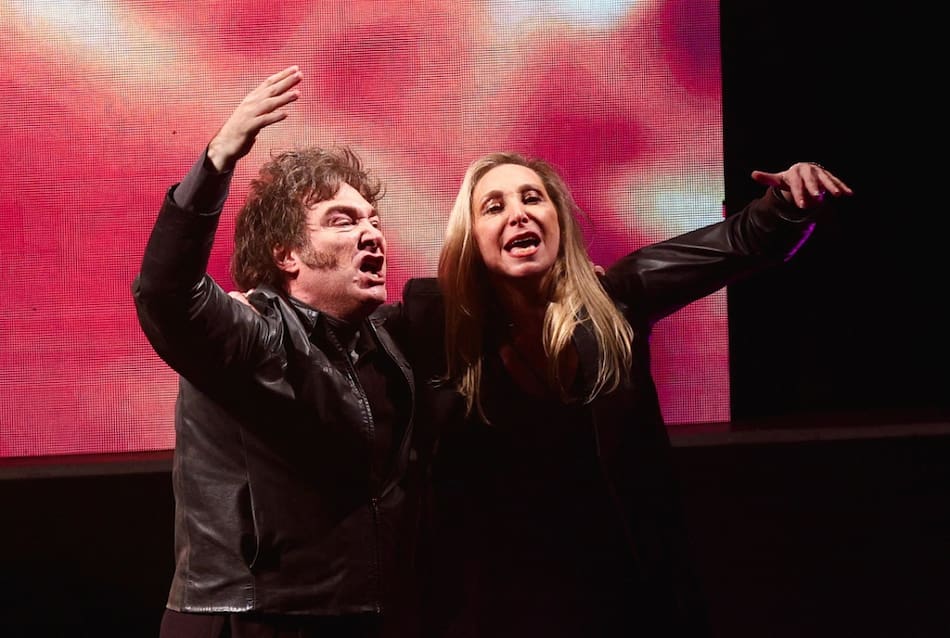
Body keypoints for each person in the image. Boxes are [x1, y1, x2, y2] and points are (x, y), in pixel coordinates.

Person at [402, 152, 852, 637]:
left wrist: (785, 200)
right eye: (493, 206)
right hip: (504, 607)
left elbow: (740, 241)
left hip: (625, 599)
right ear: (470, 237)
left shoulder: (617, 300)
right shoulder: (436, 325)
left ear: (558, 221)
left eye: (533, 198)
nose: (518, 213)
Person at [132, 66, 424, 638]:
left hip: (365, 617)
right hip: (250, 620)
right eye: (342, 221)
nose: (372, 234)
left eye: (374, 219)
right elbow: (165, 294)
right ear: (287, 255)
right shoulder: (254, 336)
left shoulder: (390, 340)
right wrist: (216, 161)